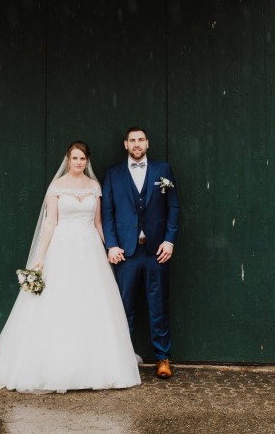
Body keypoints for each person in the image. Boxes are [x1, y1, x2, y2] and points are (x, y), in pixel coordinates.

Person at [0, 141, 140, 393]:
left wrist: (109, 246)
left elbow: (98, 222)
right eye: (74, 158)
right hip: (62, 248)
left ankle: (94, 366)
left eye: (82, 159)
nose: (78, 162)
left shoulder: (94, 186)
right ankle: (55, 366)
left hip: (90, 250)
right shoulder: (57, 186)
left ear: (87, 161)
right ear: (68, 159)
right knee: (58, 303)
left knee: (91, 302)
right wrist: (40, 257)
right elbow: (50, 223)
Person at [102, 127, 179, 379]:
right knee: (124, 308)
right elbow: (107, 212)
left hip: (156, 251)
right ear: (125, 144)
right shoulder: (113, 173)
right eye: (132, 140)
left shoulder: (163, 170)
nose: (137, 144)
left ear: (147, 143)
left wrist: (169, 241)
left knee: (159, 306)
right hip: (126, 252)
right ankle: (121, 360)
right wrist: (112, 245)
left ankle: (162, 358)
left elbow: (173, 208)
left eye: (141, 140)